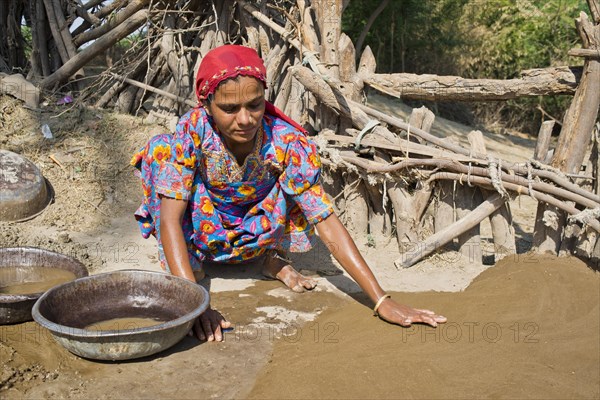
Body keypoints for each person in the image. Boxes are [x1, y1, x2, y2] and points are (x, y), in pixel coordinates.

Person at [131, 45, 446, 342]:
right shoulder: (192, 133)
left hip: (258, 231)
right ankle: (192, 266)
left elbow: (324, 219)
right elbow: (170, 220)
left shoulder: (285, 143)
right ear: (207, 104)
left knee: (299, 182)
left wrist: (381, 301)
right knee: (160, 150)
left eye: (254, 104)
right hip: (202, 230)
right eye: (229, 108)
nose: (244, 119)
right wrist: (195, 304)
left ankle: (271, 258)